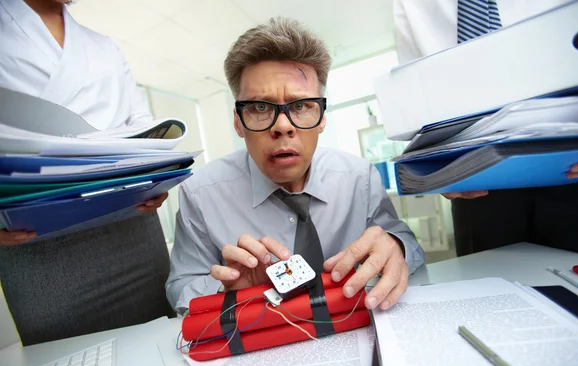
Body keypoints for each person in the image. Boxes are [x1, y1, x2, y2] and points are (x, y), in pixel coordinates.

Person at [166, 17, 426, 315]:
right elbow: (180, 287)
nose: (282, 126)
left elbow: (406, 244)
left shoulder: (359, 178)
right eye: (260, 108)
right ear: (238, 122)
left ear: (323, 117)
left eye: (300, 106)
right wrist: (228, 291)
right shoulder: (200, 194)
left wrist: (396, 247)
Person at [0, 0, 175, 345]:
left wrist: (155, 167)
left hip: (132, 230)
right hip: (38, 246)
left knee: (159, 349)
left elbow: (137, 120)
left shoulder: (103, 46)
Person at [392, 0, 578, 257]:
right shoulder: (410, 4)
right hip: (477, 183)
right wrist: (437, 171)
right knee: (491, 288)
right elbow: (417, 96)